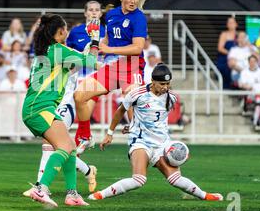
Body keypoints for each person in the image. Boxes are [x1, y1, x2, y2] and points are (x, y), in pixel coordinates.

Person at [89, 63, 223, 202]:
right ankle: (100, 195)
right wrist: (110, 133)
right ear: (153, 81)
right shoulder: (137, 94)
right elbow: (121, 111)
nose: (165, 87)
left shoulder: (171, 98)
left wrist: (133, 125)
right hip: (141, 142)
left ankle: (205, 195)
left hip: (162, 144)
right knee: (139, 180)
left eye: (168, 84)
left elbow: (157, 119)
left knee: (175, 179)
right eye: (162, 84)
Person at [22, 13, 100, 208]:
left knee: (70, 147)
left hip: (38, 107)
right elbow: (91, 63)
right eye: (65, 29)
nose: (67, 32)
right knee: (64, 147)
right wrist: (96, 40)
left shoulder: (48, 50)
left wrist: (87, 48)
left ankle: (72, 194)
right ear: (59, 32)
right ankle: (41, 189)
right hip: (40, 108)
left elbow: (73, 66)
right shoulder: (58, 49)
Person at [73, 0, 148, 149]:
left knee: (132, 103)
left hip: (133, 66)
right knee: (79, 95)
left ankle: (141, 143)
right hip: (114, 66)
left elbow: (137, 48)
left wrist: (109, 48)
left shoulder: (139, 18)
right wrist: (97, 46)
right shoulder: (112, 15)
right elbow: (107, 40)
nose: (133, 1)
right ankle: (85, 136)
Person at [239, 55, 260, 126]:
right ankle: (255, 121)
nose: (252, 63)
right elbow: (242, 85)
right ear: (248, 62)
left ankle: (259, 119)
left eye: (254, 61)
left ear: (257, 62)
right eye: (251, 61)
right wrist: (250, 87)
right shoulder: (244, 72)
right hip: (250, 94)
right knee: (258, 99)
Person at [216, 17, 238, 89]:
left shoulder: (239, 35)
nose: (230, 24)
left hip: (237, 58)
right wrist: (231, 54)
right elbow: (220, 48)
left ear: (236, 24)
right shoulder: (224, 34)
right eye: (229, 23)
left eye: (232, 22)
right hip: (225, 58)